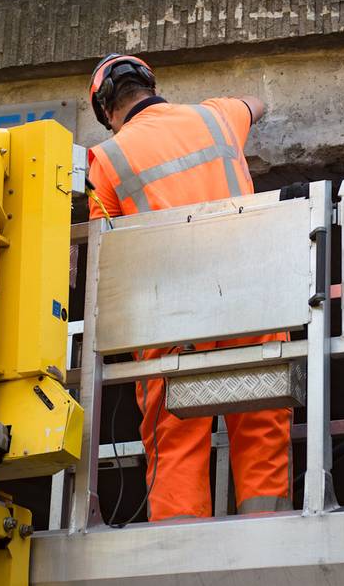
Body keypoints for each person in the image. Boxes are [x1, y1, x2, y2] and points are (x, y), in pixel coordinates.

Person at [85, 53, 292, 521]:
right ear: (151, 85)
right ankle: (270, 532)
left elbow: (107, 258)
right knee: (262, 425)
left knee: (175, 436)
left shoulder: (109, 159)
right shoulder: (216, 117)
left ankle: (180, 543)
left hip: (173, 320)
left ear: (106, 111)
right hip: (254, 302)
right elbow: (256, 103)